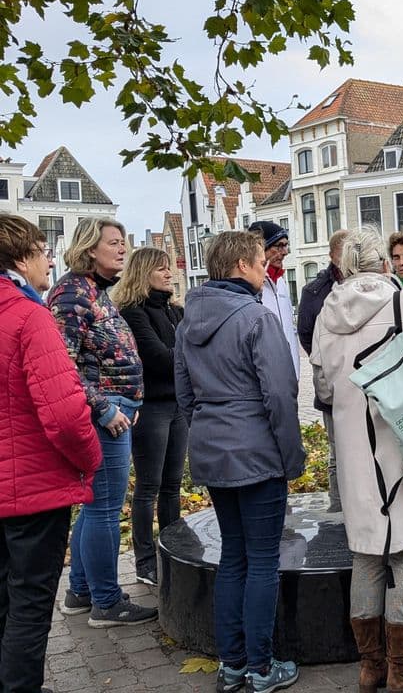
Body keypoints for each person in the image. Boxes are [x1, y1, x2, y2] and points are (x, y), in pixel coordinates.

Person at [310, 228, 403, 693]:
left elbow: (324, 390)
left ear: (345, 267)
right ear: (384, 266)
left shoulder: (325, 317)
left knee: (367, 555)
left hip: (356, 449)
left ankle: (370, 667)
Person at [175, 231, 305, 693]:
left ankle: (231, 665)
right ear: (241, 266)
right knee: (263, 560)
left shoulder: (188, 321)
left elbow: (185, 396)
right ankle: (261, 667)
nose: (262, 268)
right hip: (257, 454)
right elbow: (281, 395)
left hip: (213, 451)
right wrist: (292, 457)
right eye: (257, 261)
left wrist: (211, 433)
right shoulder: (257, 317)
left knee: (234, 556)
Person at [0, 215, 101, 693]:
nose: (50, 260)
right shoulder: (27, 315)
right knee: (29, 606)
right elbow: (64, 414)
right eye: (43, 250)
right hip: (32, 492)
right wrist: (90, 458)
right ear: (22, 257)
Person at [48, 217, 157, 628]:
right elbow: (64, 364)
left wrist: (131, 397)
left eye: (124, 241)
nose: (123, 248)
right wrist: (105, 408)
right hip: (104, 416)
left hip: (118, 408)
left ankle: (80, 591)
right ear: (90, 248)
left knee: (96, 507)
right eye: (114, 242)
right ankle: (107, 602)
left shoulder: (95, 291)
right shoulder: (72, 295)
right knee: (104, 509)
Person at [112, 247, 188, 587]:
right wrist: (186, 358)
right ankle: (144, 561)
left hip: (178, 407)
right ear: (144, 274)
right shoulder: (134, 313)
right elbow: (159, 358)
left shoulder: (175, 311)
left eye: (168, 268)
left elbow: (183, 353)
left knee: (173, 486)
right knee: (148, 487)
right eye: (161, 269)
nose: (169, 273)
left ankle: (173, 552)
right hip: (152, 407)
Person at [297, 229, 348, 512]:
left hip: (363, 385)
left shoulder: (370, 283)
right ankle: (338, 506)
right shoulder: (314, 292)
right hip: (331, 384)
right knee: (336, 450)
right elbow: (305, 334)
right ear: (332, 256)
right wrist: (326, 362)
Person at [248, 220, 300, 378]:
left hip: (289, 378)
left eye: (286, 246)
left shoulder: (282, 283)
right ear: (261, 248)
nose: (285, 252)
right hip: (267, 379)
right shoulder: (251, 287)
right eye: (279, 246)